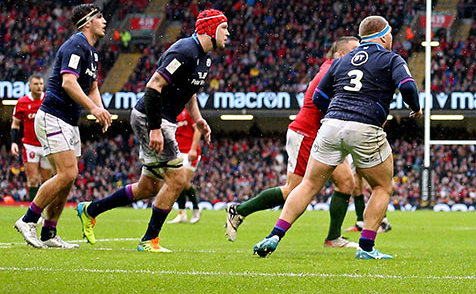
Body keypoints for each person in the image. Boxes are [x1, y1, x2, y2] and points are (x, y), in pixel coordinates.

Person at [252, 16, 421, 260]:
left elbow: (319, 95)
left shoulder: (340, 61)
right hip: (364, 126)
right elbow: (407, 86)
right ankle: (366, 248)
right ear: (384, 36)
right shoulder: (391, 58)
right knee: (382, 186)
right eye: (391, 33)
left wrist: (338, 110)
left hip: (331, 125)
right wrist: (414, 108)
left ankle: (274, 235)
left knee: (308, 185)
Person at [77, 9, 226, 252]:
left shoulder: (205, 57)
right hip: (152, 117)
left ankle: (90, 209)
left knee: (148, 188)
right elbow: (153, 86)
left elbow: (189, 93)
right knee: (178, 179)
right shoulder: (185, 50)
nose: (228, 34)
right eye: (224, 28)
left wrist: (198, 120)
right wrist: (155, 129)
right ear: (209, 29)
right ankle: (149, 240)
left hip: (162, 119)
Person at [225, 36, 361, 248]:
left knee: (346, 182)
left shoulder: (337, 69)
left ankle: (333, 238)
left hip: (325, 136)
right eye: (354, 50)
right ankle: (239, 210)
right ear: (342, 55)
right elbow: (324, 101)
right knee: (293, 190)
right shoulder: (332, 71)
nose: (359, 54)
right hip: (307, 134)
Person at [13, 4, 112, 249]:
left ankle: (49, 233)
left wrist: (100, 109)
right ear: (87, 22)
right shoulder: (75, 45)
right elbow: (68, 82)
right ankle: (28, 219)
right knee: (67, 174)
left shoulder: (92, 52)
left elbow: (92, 86)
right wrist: (93, 108)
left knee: (68, 178)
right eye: (99, 17)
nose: (104, 21)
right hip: (53, 116)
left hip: (68, 121)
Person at [10, 76, 49, 203]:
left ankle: (43, 208)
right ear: (29, 86)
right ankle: (34, 212)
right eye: (36, 84)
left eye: (41, 83)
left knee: (46, 180)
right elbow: (15, 124)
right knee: (33, 179)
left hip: (47, 145)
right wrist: (13, 142)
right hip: (29, 145)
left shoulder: (49, 100)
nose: (39, 86)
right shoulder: (22, 102)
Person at [166, 109, 204, 225]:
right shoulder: (172, 113)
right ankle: (182, 214)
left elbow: (198, 130)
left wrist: (193, 149)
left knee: (182, 183)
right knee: (179, 183)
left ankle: (195, 209)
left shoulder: (188, 112)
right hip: (178, 152)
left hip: (190, 152)